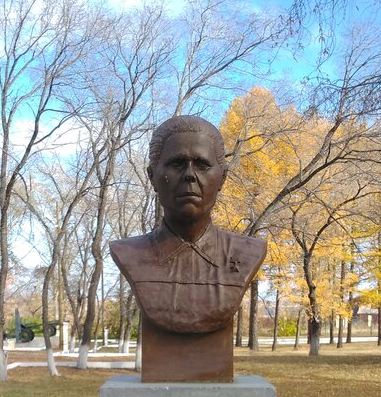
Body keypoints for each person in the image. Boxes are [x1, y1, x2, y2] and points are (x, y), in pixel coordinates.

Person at [109, 115, 266, 382]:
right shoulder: (129, 254)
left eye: (202, 165)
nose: (190, 176)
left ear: (223, 178)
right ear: (152, 177)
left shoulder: (247, 253)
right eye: (177, 163)